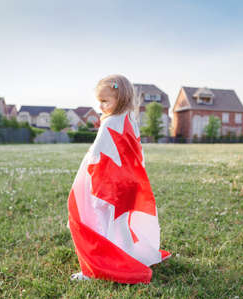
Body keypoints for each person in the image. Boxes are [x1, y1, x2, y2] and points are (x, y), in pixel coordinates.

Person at [67, 74, 170, 284]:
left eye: (105, 101)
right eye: (99, 101)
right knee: (120, 224)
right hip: (126, 184)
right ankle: (127, 256)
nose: (100, 106)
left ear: (121, 98)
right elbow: (136, 153)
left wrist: (94, 188)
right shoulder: (130, 120)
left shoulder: (110, 123)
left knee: (91, 221)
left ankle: (95, 268)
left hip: (108, 186)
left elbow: (97, 156)